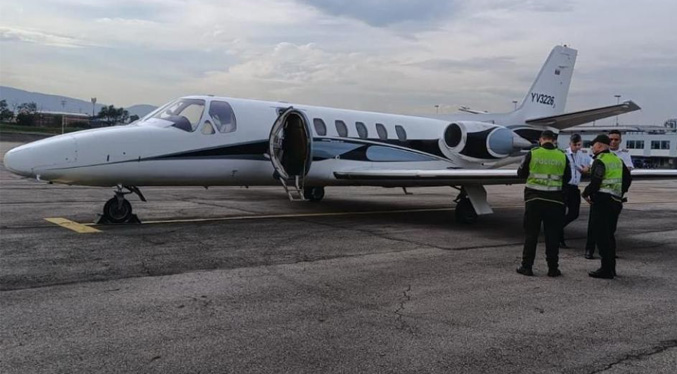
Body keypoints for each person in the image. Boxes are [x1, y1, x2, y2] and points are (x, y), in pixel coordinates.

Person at [516, 130, 571, 277]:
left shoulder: (533, 153)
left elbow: (520, 173)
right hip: (555, 201)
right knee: (552, 236)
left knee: (531, 235)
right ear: (554, 140)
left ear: (541, 139)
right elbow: (568, 178)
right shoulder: (562, 156)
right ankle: (553, 268)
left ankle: (527, 266)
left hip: (534, 200)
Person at [582, 134, 631, 279]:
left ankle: (606, 269)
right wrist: (620, 192)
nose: (592, 147)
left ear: (600, 146)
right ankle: (611, 268)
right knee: (609, 235)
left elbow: (596, 180)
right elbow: (627, 179)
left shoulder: (600, 160)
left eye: (594, 145)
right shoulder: (617, 160)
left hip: (603, 202)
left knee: (601, 236)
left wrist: (585, 193)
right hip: (616, 201)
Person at [560, 134, 589, 248]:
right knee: (561, 213)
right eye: (575, 144)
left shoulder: (583, 154)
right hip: (564, 187)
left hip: (574, 188)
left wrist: (588, 168)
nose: (577, 147)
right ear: (570, 144)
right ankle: (559, 239)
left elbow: (592, 163)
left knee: (574, 213)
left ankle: (556, 228)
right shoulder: (564, 154)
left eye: (579, 144)